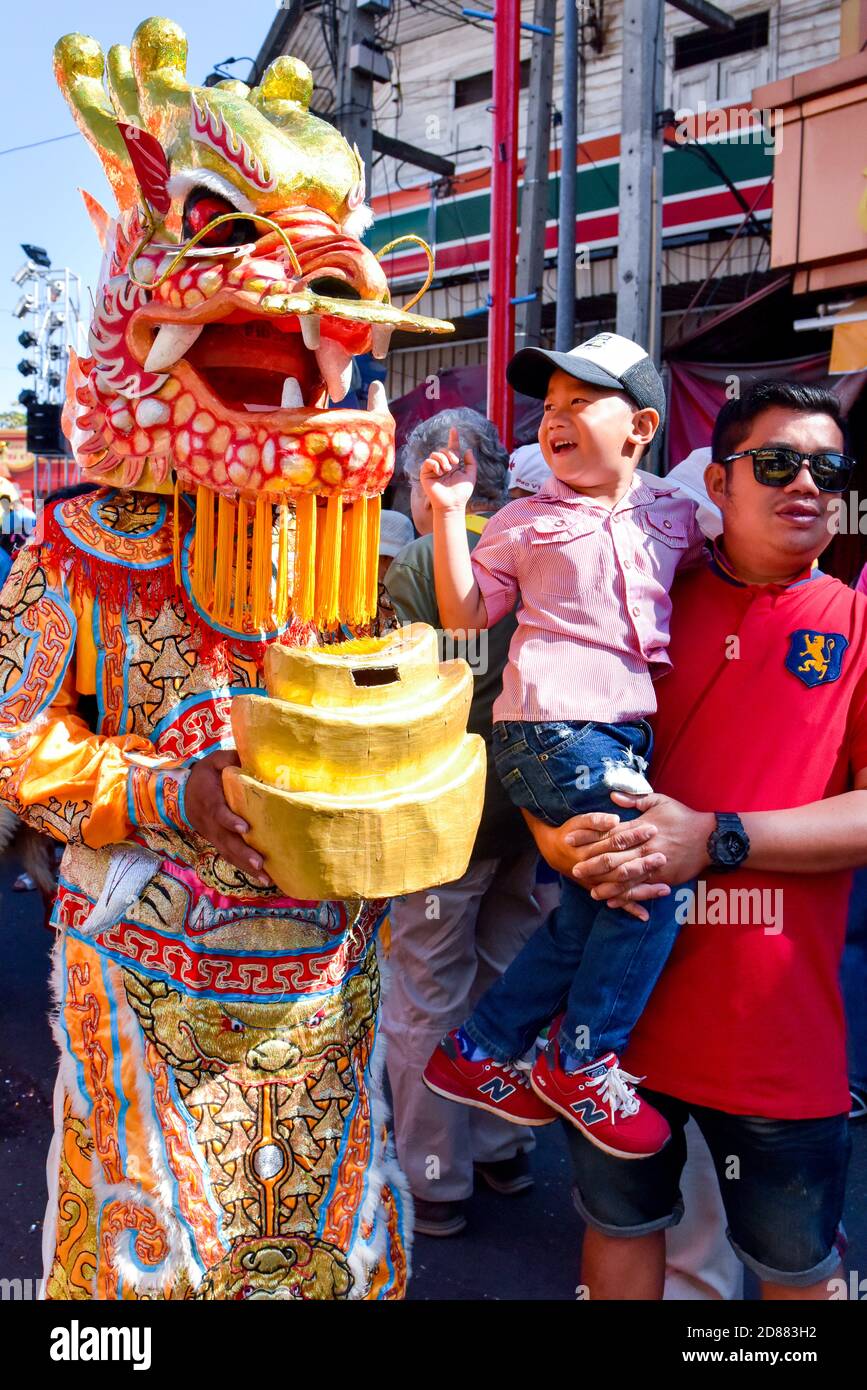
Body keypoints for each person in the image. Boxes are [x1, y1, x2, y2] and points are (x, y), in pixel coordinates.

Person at [525, 380, 864, 1299]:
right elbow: (534, 722)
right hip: (617, 1026)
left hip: (778, 1031)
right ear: (717, 482)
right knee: (619, 1233)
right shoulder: (640, 590)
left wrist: (710, 840)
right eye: (777, 462)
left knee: (799, 1273)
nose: (805, 484)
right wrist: (554, 843)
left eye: (826, 468)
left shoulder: (857, 622)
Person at [420, 333, 706, 1160]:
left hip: (616, 733)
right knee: (648, 883)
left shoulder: (675, 513)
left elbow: (723, 562)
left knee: (589, 910)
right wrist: (445, 513)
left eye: (582, 403)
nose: (558, 419)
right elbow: (466, 615)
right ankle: (582, 1060)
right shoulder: (522, 519)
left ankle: (476, 1051)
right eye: (549, 407)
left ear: (642, 426)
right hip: (552, 730)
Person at [382, 408, 550, 1237]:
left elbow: (384, 692)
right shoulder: (538, 541)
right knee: (507, 974)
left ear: (435, 474)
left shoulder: (417, 560)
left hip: (444, 810)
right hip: (533, 811)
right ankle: (499, 1147)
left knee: (423, 990)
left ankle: (434, 1179)